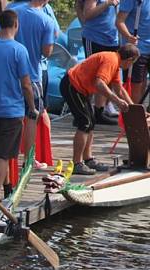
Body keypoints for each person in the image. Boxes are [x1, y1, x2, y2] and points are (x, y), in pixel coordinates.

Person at [0, 9, 36, 197]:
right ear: (16, 25)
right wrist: (32, 107)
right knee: (4, 156)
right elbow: (26, 84)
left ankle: (7, 188)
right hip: (11, 110)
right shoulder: (19, 50)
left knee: (0, 154)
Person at [61, 45, 137, 175]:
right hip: (72, 85)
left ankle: (88, 158)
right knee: (84, 123)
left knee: (91, 123)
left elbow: (119, 89)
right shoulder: (111, 60)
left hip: (81, 89)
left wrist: (134, 107)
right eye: (132, 63)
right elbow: (99, 84)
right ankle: (77, 163)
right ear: (130, 59)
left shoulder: (115, 62)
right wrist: (117, 101)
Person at [8, 0, 55, 168]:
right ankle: (28, 159)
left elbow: (0, 34)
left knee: (14, 115)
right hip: (32, 74)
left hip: (9, 73)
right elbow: (47, 51)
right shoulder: (46, 20)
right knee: (32, 116)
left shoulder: (12, 10)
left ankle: (9, 157)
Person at [82, 0, 121, 125]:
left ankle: (102, 109)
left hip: (112, 38)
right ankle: (86, 110)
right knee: (93, 75)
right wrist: (107, 3)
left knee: (108, 74)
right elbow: (87, 14)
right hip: (95, 37)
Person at [118, 0, 150, 104]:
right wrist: (128, 36)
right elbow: (119, 21)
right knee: (137, 86)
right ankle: (135, 115)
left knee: (144, 85)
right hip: (137, 48)